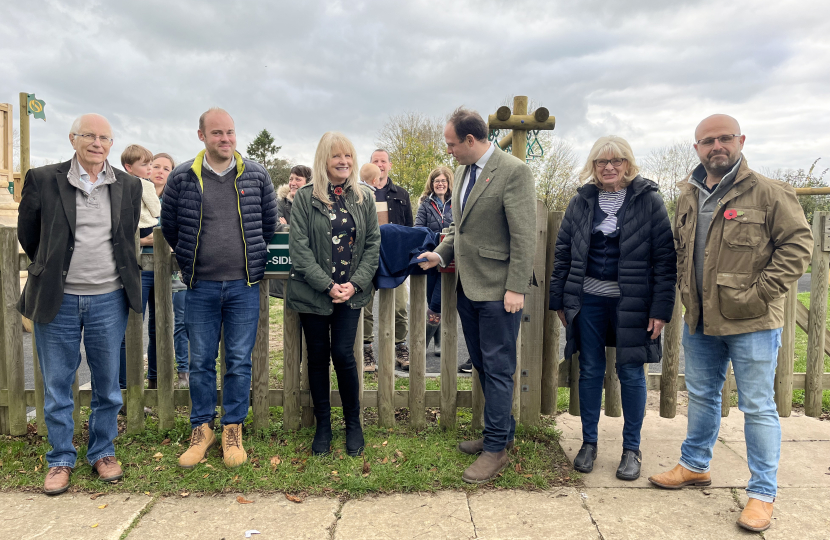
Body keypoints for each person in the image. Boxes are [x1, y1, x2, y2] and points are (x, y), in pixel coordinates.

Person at [648, 114, 812, 533]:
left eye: (724, 139)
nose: (715, 146)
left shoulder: (771, 193)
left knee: (757, 406)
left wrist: (759, 292)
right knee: (701, 396)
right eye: (707, 141)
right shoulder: (688, 195)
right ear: (697, 148)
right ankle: (695, 465)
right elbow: (682, 251)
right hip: (700, 319)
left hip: (753, 320)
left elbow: (798, 246)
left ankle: (762, 493)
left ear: (740, 141)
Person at [17, 114, 143, 495]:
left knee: (107, 385)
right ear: (73, 138)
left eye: (104, 137)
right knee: (58, 385)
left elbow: (125, 236)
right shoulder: (43, 179)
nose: (97, 143)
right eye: (89, 135)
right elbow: (29, 234)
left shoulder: (129, 185)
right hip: (59, 297)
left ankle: (103, 452)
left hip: (109, 298)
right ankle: (59, 459)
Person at [418, 107, 536, 484]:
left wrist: (516, 287)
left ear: (471, 140)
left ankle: (496, 450)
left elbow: (523, 235)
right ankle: (502, 433)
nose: (448, 150)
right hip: (468, 287)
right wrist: (440, 253)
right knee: (486, 367)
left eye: (452, 144)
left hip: (500, 291)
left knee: (499, 369)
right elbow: (458, 228)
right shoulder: (467, 172)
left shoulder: (514, 172)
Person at [549, 136, 677, 481]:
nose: (608, 168)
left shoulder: (649, 201)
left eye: (616, 161)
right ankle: (589, 443)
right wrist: (558, 298)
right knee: (590, 369)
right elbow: (563, 253)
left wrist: (661, 309)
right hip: (588, 300)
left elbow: (665, 260)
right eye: (601, 162)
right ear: (592, 166)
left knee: (632, 372)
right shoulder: (581, 202)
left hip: (633, 303)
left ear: (628, 163)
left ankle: (631, 449)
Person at [161, 108, 277, 469]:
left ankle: (232, 428)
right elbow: (169, 225)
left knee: (239, 361)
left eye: (229, 132)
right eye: (216, 133)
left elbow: (269, 223)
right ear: (202, 137)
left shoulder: (256, 175)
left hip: (243, 286)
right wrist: (190, 260)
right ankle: (201, 429)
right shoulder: (182, 177)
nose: (225, 139)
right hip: (200, 287)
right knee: (200, 362)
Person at [285, 132, 380, 456]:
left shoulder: (363, 197)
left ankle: (352, 424)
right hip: (314, 292)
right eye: (336, 156)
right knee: (316, 357)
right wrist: (327, 285)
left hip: (350, 294)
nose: (343, 162)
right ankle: (323, 425)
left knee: (343, 355)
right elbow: (299, 248)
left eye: (348, 156)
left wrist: (354, 284)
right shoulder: (305, 197)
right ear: (323, 160)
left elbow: (372, 245)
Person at [362, 149, 413, 371]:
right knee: (364, 306)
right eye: (376, 161)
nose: (380, 164)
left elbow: (409, 228)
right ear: (370, 165)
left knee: (400, 307)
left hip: (394, 258)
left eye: (383, 161)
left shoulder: (401, 194)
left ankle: (400, 346)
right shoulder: (359, 193)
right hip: (366, 258)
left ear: (389, 165)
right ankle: (366, 349)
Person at [117, 145, 160, 393]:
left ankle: (126, 385)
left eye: (150, 164)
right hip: (146, 248)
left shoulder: (119, 186)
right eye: (146, 165)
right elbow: (156, 210)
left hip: (135, 252)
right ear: (129, 167)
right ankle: (149, 380)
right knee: (153, 325)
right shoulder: (143, 185)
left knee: (132, 326)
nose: (150, 169)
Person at [150, 153, 190, 388]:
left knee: (181, 322)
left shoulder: (175, 199)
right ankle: (155, 376)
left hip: (176, 270)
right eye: (156, 166)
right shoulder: (139, 199)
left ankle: (183, 372)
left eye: (167, 168)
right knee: (155, 325)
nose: (160, 171)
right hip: (146, 269)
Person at [414, 166, 454, 363]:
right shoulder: (425, 205)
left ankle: (421, 346)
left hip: (451, 260)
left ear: (448, 184)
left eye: (443, 181)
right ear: (431, 184)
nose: (440, 184)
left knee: (437, 303)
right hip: (431, 258)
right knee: (432, 302)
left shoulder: (456, 203)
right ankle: (438, 343)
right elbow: (418, 228)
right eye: (437, 180)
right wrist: (434, 237)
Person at [270, 165, 311, 300]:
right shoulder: (279, 203)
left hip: (307, 270)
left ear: (308, 182)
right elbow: (273, 226)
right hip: (284, 270)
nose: (293, 183)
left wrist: (287, 226)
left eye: (298, 179)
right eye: (291, 179)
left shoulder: (315, 204)